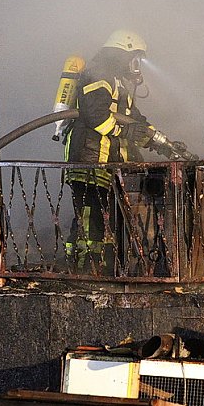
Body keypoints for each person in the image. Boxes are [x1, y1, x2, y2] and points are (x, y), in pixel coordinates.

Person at [63, 29, 158, 274]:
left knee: (107, 221)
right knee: (89, 219)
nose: (136, 65)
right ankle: (83, 271)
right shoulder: (98, 74)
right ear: (121, 54)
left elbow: (134, 120)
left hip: (108, 165)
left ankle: (104, 269)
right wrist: (126, 131)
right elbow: (95, 115)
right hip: (89, 161)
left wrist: (160, 142)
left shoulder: (117, 83)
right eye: (134, 59)